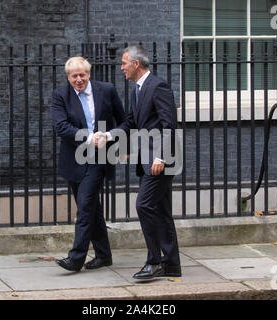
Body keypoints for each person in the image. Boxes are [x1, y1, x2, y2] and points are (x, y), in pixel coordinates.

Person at [96, 45, 181, 279]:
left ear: (136, 64)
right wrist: (109, 135)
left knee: (144, 205)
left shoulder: (158, 87)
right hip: (148, 160)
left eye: (124, 63)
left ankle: (155, 261)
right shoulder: (137, 90)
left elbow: (169, 125)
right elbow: (131, 123)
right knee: (162, 212)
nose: (121, 67)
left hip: (159, 161)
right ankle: (172, 264)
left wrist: (161, 157)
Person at [51, 57, 125, 272]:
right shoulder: (60, 95)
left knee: (84, 207)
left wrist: (110, 136)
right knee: (92, 208)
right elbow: (61, 127)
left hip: (99, 159)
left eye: (82, 75)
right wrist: (88, 137)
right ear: (68, 77)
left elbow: (124, 120)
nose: (78, 79)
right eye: (74, 76)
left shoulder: (106, 90)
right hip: (75, 160)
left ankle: (76, 258)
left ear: (89, 74)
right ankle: (104, 255)